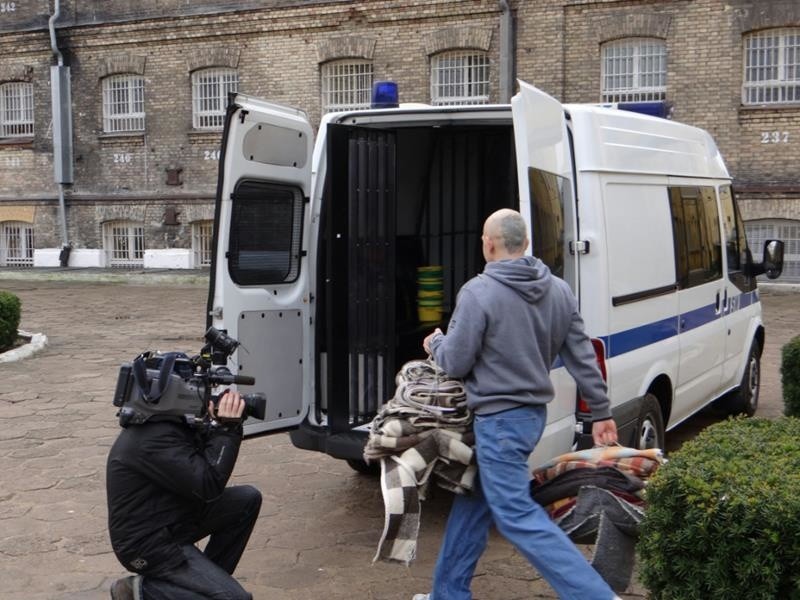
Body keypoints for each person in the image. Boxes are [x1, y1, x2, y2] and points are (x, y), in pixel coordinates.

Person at [416, 208, 619, 600]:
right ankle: (447, 593)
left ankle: (595, 595)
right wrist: (601, 412)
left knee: (516, 516)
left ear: (487, 244)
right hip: (527, 420)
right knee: (475, 499)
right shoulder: (559, 290)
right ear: (526, 243)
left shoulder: (478, 292)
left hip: (498, 424)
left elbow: (455, 361)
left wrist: (435, 343)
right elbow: (582, 354)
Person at [106, 390, 261, 600]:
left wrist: (214, 424)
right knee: (235, 599)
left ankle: (204, 584)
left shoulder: (166, 421)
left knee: (247, 500)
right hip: (147, 544)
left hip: (173, 519)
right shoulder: (152, 439)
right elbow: (208, 484)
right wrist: (227, 429)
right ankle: (139, 591)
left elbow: (202, 462)